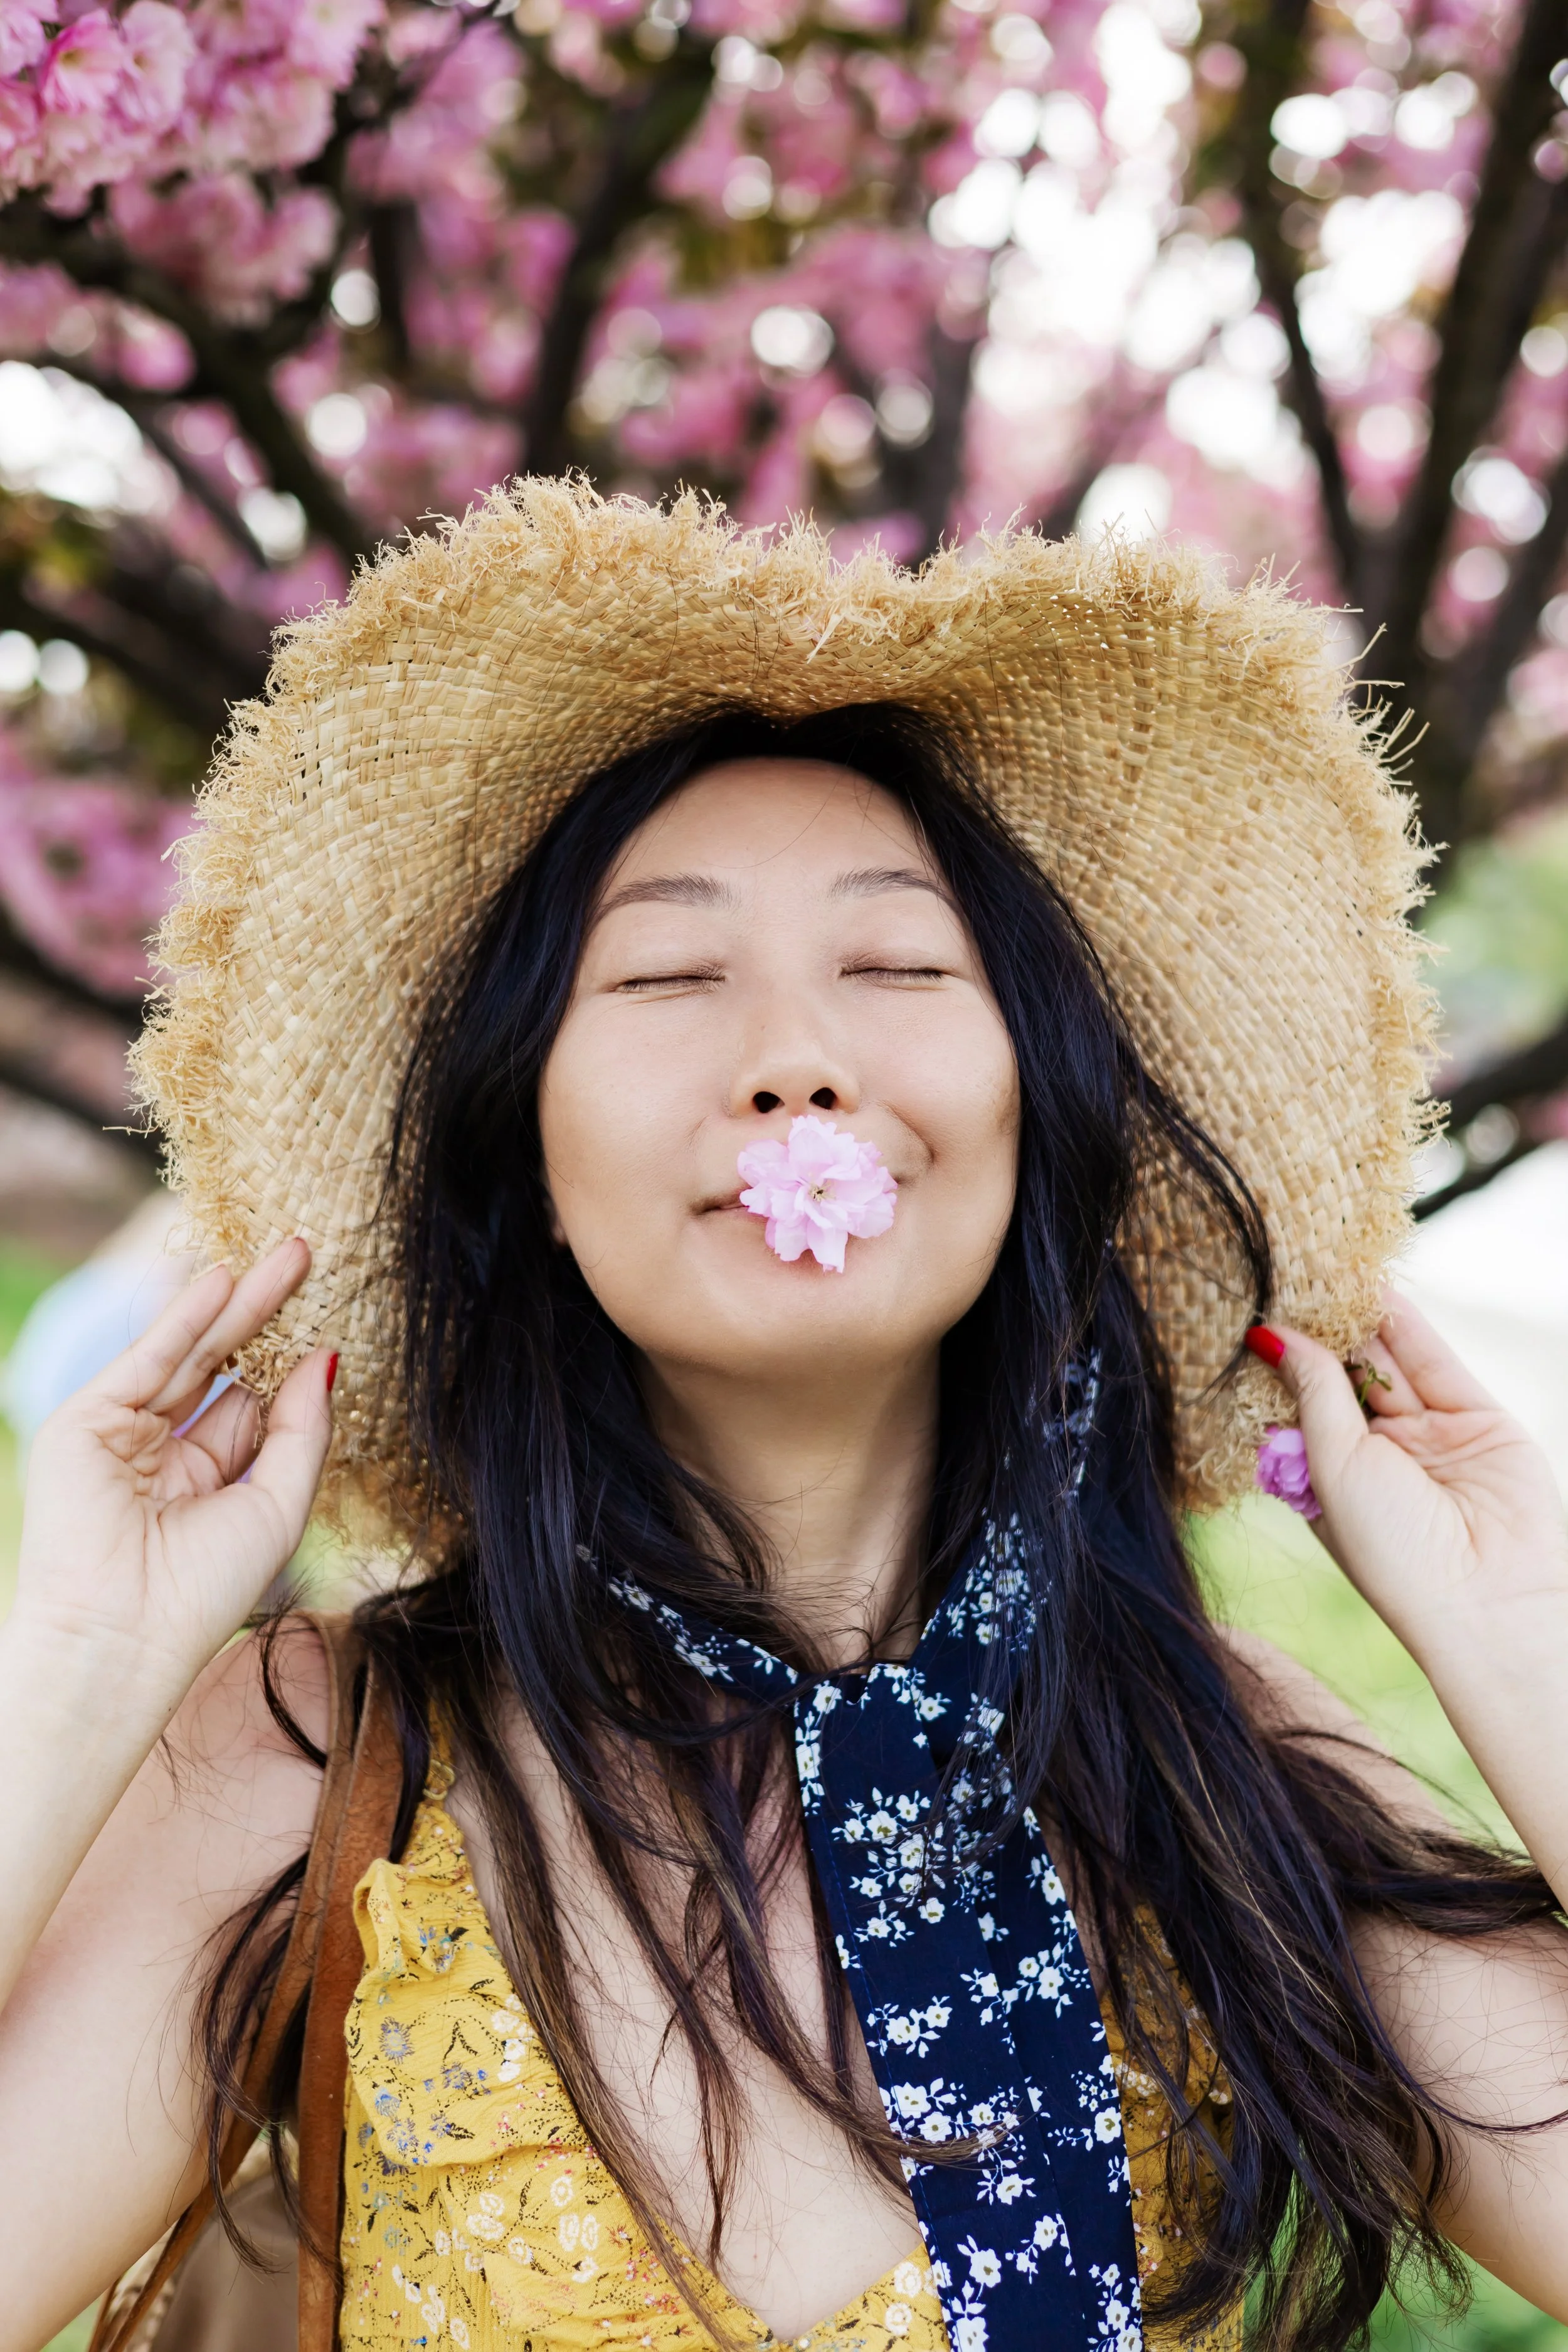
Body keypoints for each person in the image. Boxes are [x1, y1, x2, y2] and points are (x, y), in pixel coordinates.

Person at [3, 483, 1567, 2352]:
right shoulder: (308, 1762)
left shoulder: (1218, 1769)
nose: (796, 1060)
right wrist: (76, 1657)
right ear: (530, 1157)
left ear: (1036, 1114)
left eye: (897, 967)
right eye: (668, 975)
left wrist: (1530, 1633)